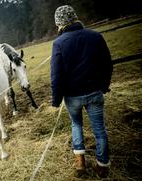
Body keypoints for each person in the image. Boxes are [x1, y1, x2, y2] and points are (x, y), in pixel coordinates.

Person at [50, 5, 113, 178]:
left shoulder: (59, 43)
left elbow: (56, 75)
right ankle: (103, 165)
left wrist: (55, 100)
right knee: (99, 129)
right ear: (75, 18)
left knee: (76, 125)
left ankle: (80, 163)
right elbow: (107, 64)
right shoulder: (95, 36)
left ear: (59, 23)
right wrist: (104, 85)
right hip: (94, 93)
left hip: (72, 97)